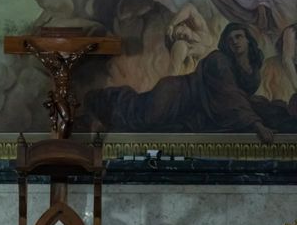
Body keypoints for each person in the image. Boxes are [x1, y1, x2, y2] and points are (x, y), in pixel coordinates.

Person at [85, 22, 297, 143]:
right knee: (139, 115)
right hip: (174, 95)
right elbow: (229, 95)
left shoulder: (253, 73)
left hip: (194, 109)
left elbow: (239, 99)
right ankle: (99, 100)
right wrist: (256, 124)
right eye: (231, 38)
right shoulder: (219, 60)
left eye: (239, 36)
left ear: (249, 40)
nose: (235, 41)